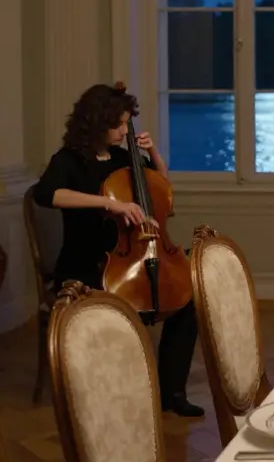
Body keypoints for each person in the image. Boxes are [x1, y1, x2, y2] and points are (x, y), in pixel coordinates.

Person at [34, 83, 204, 417]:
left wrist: (153, 153)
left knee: (187, 299)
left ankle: (171, 392)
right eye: (118, 125)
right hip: (87, 263)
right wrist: (108, 203)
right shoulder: (68, 160)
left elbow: (160, 188)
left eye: (127, 124)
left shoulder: (125, 157)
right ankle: (113, 394)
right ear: (96, 123)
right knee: (116, 305)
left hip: (131, 257)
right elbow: (46, 194)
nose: (125, 131)